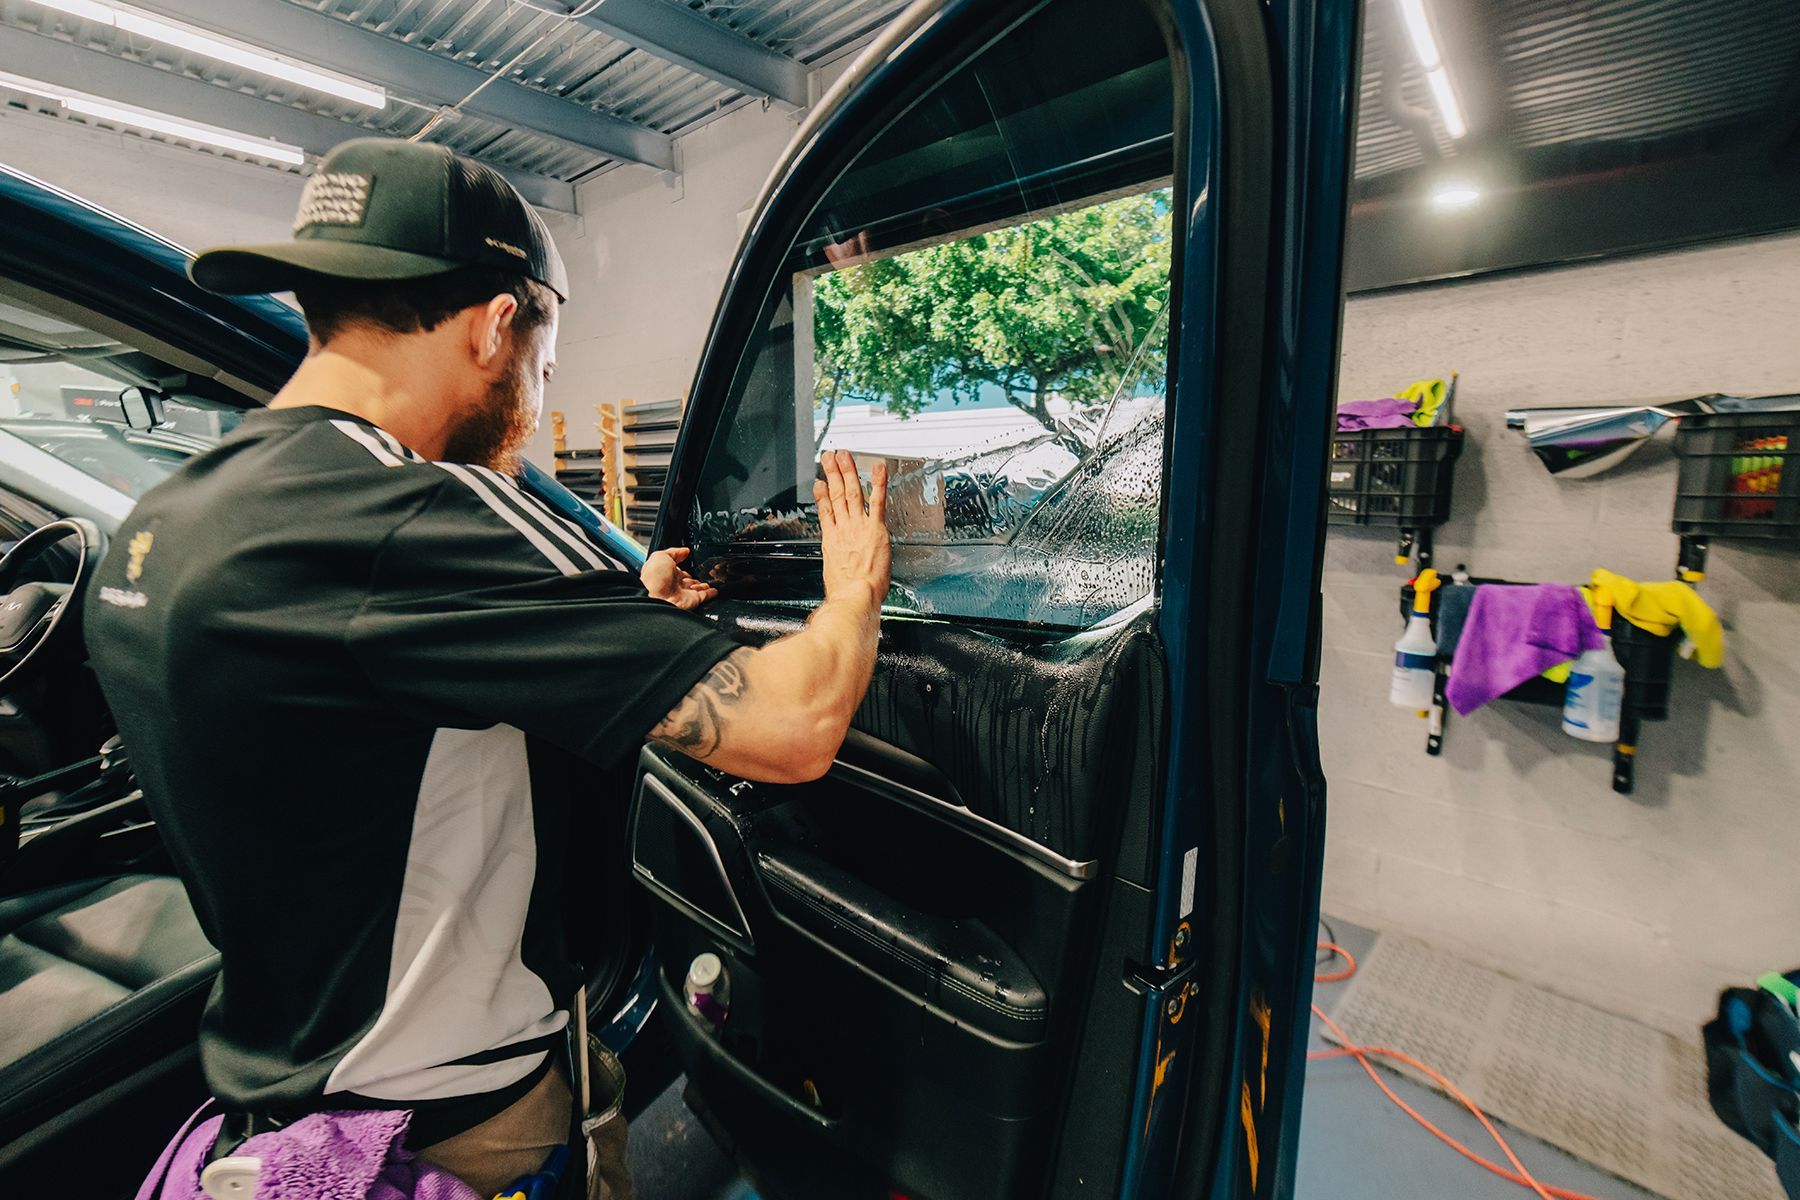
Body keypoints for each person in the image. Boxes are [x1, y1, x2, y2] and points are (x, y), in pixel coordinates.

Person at [84, 138, 890, 1198]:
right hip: (457, 1132)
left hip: (277, 1098)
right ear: (498, 325)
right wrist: (856, 588)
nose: (536, 398)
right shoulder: (423, 511)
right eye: (544, 370)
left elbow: (364, 724)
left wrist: (613, 631)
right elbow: (794, 725)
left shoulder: (171, 521)